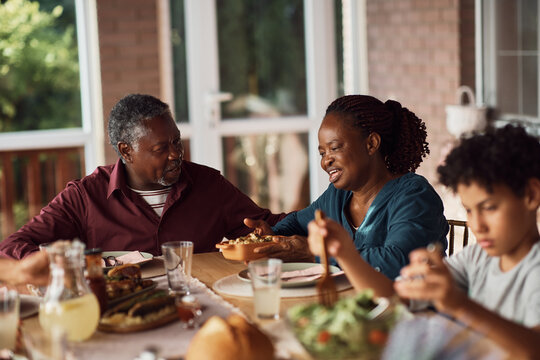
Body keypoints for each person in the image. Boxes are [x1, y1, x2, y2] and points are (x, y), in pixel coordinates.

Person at [307, 125, 540, 358]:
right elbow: (392, 297)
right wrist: (346, 254)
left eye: (489, 208)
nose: (477, 225)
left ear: (531, 195)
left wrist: (460, 305)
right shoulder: (477, 258)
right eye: (469, 211)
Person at [0, 94, 286, 259]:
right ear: (127, 151)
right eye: (162, 148)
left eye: (177, 141)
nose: (176, 154)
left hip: (201, 309)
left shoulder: (209, 184)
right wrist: (64, 265)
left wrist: (326, 206)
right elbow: (12, 247)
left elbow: (268, 225)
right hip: (122, 315)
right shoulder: (85, 196)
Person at [246, 95, 448, 279]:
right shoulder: (338, 195)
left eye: (334, 148)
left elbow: (398, 262)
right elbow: (297, 222)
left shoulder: (414, 195)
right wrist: (271, 236)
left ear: (371, 144)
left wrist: (317, 253)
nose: (326, 161)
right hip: (355, 307)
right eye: (322, 153)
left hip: (410, 311)